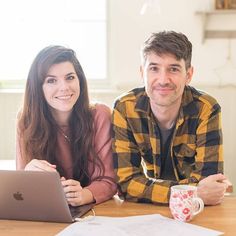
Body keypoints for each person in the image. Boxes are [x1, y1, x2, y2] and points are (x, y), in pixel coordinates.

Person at [112, 31, 231, 206]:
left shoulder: (206, 109)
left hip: (194, 211)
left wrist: (149, 189)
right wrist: (194, 192)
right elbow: (126, 183)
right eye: (154, 68)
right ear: (142, 73)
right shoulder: (125, 107)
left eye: (173, 69)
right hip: (153, 211)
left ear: (188, 75)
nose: (163, 80)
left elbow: (210, 184)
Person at [16, 45, 117, 206]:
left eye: (70, 77)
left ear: (80, 80)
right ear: (38, 88)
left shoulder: (100, 115)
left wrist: (85, 194)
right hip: (47, 209)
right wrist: (28, 176)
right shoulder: (27, 119)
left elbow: (109, 180)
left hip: (93, 212)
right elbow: (19, 189)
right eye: (51, 80)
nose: (64, 87)